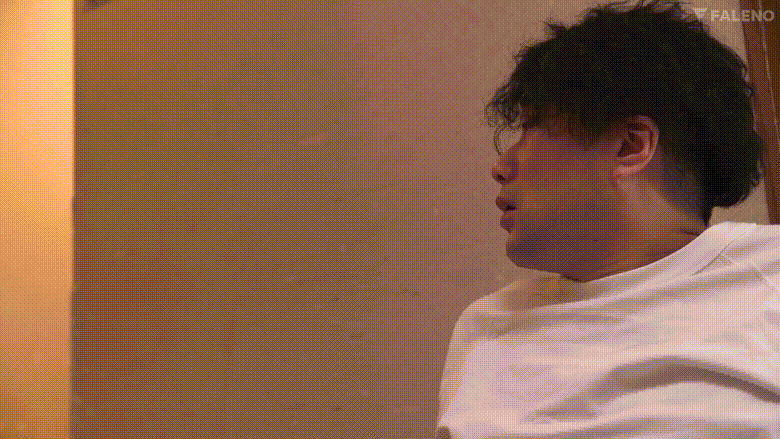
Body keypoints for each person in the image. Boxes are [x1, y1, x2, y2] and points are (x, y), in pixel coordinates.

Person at [436, 0, 780, 437]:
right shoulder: (485, 325)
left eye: (531, 127)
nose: (501, 167)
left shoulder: (769, 275)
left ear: (629, 146)